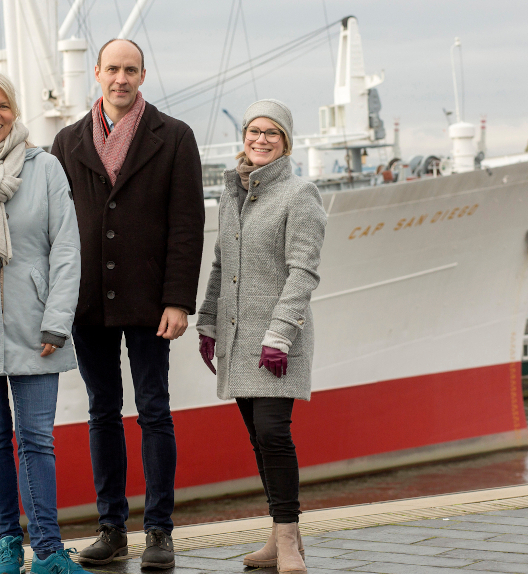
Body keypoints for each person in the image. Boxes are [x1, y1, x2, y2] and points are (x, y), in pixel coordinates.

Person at [50, 38, 205, 569]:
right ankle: (111, 528)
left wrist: (178, 300)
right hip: (86, 301)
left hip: (149, 300)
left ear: (143, 75)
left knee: (155, 411)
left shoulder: (175, 137)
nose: (121, 78)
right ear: (96, 72)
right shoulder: (67, 142)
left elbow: (187, 224)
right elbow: (54, 227)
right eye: (112, 68)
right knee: (102, 412)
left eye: (130, 69)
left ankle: (159, 532)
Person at [0, 71, 86, 574]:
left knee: (37, 440)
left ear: (15, 110)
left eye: (2, 106)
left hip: (36, 329)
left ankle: (48, 550)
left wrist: (57, 322)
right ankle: (8, 546)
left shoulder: (44, 167)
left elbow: (66, 249)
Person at [196, 99, 326, 574]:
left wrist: (280, 335)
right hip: (236, 337)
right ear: (244, 137)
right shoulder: (232, 194)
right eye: (254, 131)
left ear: (286, 141)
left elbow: (303, 272)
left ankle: (290, 541)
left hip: (277, 341)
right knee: (258, 437)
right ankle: (275, 538)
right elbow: (219, 265)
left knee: (274, 433)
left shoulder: (300, 194)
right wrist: (207, 322)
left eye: (273, 133)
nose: (261, 139)